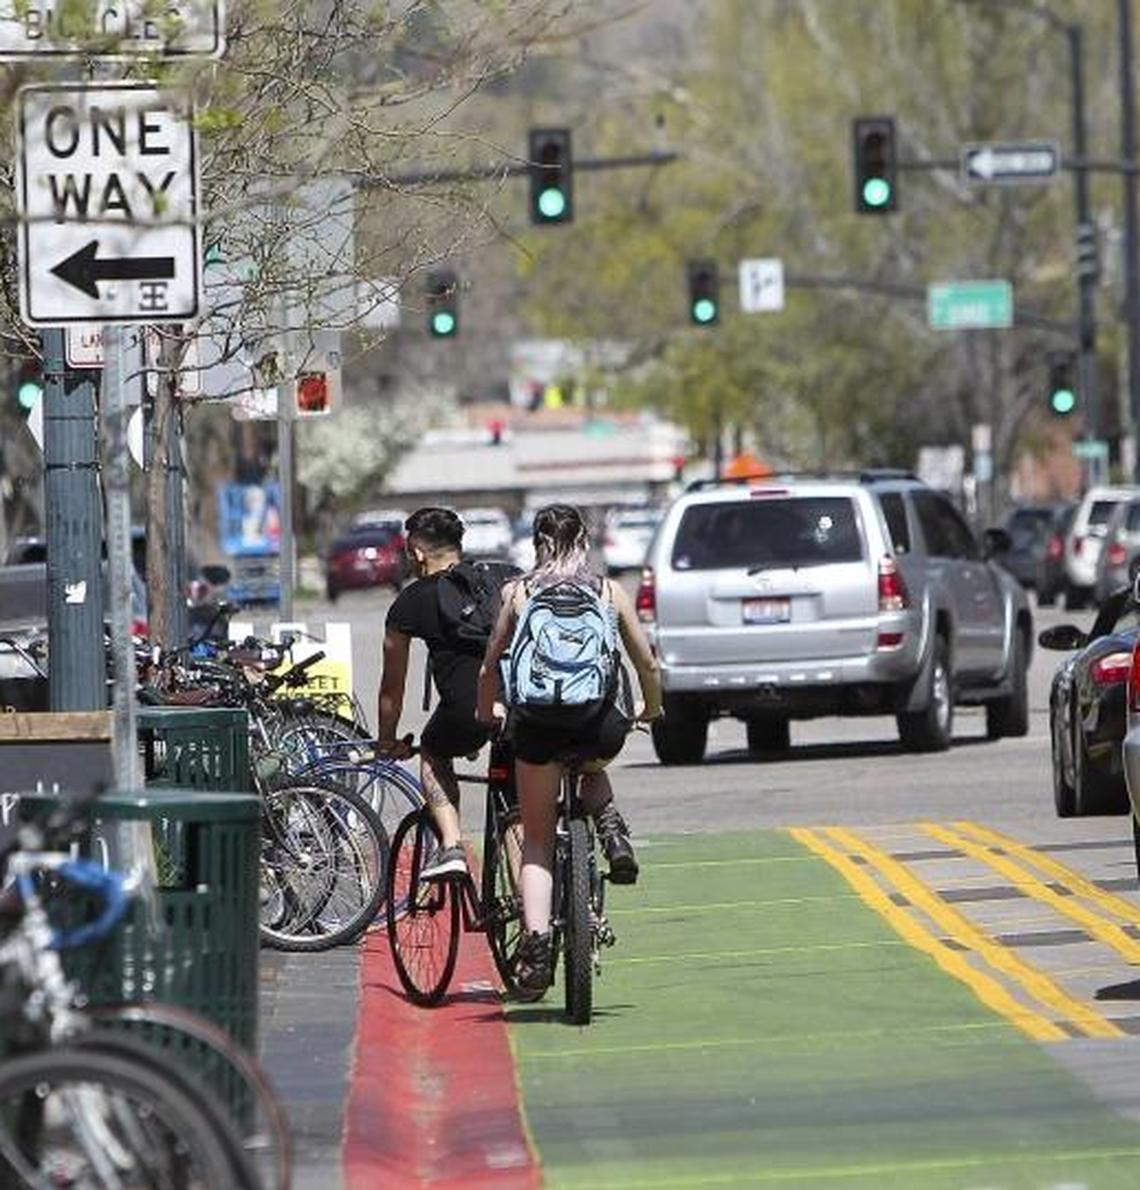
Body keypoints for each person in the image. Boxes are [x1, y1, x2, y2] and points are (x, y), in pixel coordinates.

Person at [476, 503, 664, 996]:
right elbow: (646, 662)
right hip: (597, 724)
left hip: (536, 725)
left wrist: (487, 711)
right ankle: (610, 826)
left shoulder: (516, 593)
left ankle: (536, 950)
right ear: (585, 541)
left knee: (536, 840)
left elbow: (491, 664)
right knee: (591, 765)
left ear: (536, 543)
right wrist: (651, 708)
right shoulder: (608, 591)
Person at [376, 506, 498, 881]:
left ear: (416, 552)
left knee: (433, 749)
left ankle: (452, 846)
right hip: (520, 704)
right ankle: (532, 917)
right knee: (516, 808)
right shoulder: (497, 580)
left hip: (466, 711)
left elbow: (392, 685)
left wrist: (386, 739)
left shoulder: (411, 601)